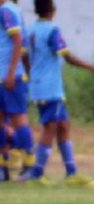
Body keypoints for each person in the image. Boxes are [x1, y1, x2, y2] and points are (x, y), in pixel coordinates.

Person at [21, 0, 94, 187]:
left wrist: (31, 74)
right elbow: (67, 57)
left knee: (64, 125)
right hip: (50, 87)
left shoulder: (30, 30)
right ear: (53, 9)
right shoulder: (52, 30)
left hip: (39, 85)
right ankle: (37, 174)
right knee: (50, 127)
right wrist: (92, 67)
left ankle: (71, 173)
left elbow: (24, 55)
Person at [0, 0, 35, 179]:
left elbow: (19, 41)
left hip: (9, 76)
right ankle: (2, 166)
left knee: (18, 119)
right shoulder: (9, 9)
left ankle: (29, 163)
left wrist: (12, 72)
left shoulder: (7, 10)